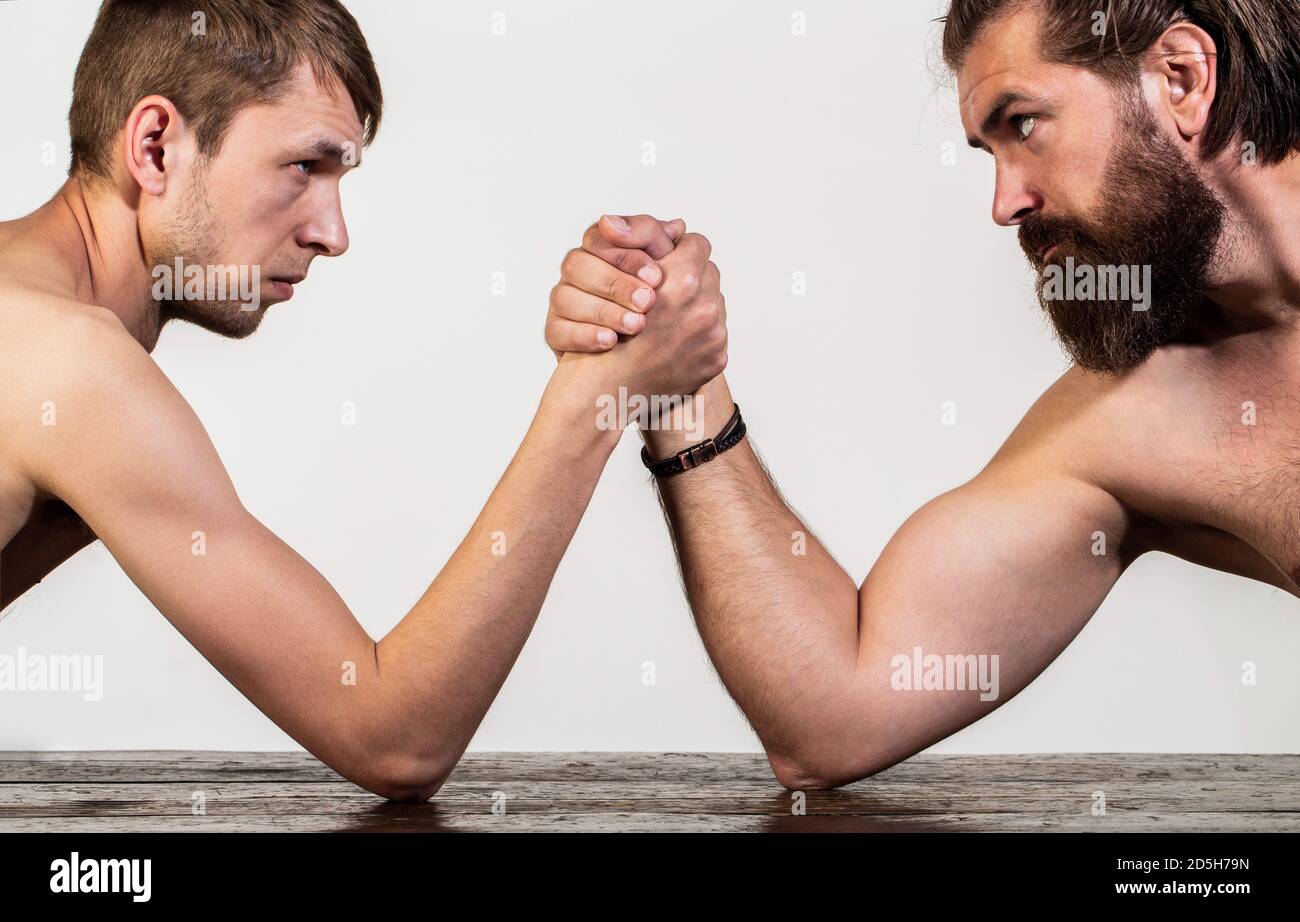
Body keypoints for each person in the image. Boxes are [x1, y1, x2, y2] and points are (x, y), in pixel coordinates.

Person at [547, 0, 1300, 789]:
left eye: (1024, 124)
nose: (1005, 203)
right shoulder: (1135, 420)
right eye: (987, 150)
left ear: (1179, 79)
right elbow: (834, 717)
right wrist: (679, 386)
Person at [0, 0, 725, 801]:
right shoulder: (68, 363)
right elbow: (393, 738)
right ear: (156, 147)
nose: (332, 233)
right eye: (304, 167)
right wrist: (595, 396)